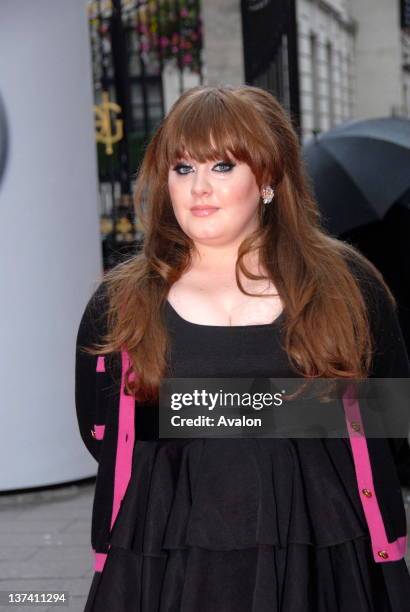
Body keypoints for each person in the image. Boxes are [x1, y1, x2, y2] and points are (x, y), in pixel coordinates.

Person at [76, 85, 410, 611]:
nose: (199, 189)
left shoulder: (346, 287)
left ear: (270, 176)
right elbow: (104, 434)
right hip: (167, 558)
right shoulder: (121, 302)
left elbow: (389, 426)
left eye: (223, 167)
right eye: (183, 169)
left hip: (324, 553)